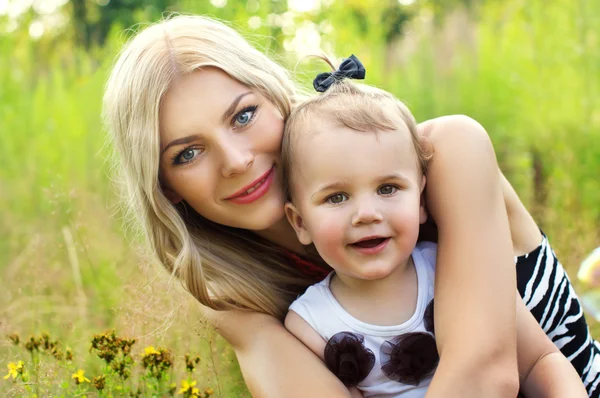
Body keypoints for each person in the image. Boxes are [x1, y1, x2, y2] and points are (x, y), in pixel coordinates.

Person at [102, 14, 599, 397]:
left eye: (244, 115)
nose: (235, 160)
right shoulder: (237, 302)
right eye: (187, 153)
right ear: (166, 186)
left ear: (278, 98)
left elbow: (486, 376)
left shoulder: (443, 158)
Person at [280, 65, 587, 397]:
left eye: (387, 189)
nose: (366, 214)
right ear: (300, 222)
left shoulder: (452, 271)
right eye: (336, 197)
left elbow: (539, 361)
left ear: (421, 200)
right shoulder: (310, 326)